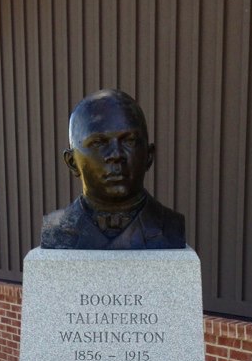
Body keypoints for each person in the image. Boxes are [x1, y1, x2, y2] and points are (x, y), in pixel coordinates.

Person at [40, 89, 186, 250]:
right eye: (99, 143)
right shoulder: (56, 231)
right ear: (72, 162)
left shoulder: (171, 226)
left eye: (129, 141)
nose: (116, 154)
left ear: (149, 156)